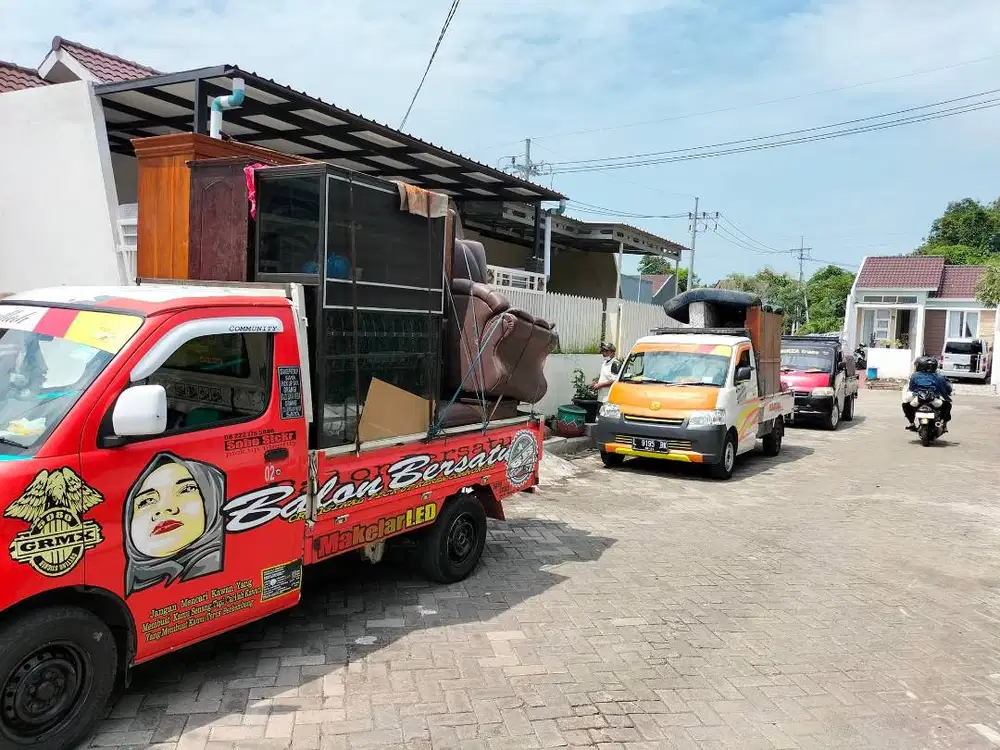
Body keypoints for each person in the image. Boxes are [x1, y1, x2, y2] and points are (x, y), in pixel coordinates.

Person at [902, 356, 952, 432]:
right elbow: (946, 389)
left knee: (905, 405)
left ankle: (912, 423)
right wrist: (947, 395)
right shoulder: (939, 376)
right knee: (948, 405)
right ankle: (942, 422)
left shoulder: (914, 376)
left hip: (918, 400)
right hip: (933, 400)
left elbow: (912, 388)